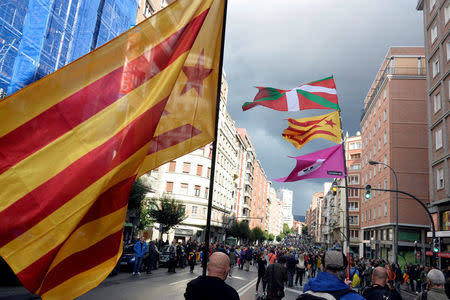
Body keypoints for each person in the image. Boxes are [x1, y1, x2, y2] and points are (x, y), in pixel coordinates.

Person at [298, 251, 364, 300]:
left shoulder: (308, 286)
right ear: (345, 271)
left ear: (321, 267)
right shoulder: (354, 297)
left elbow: (329, 285)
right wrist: (344, 286)